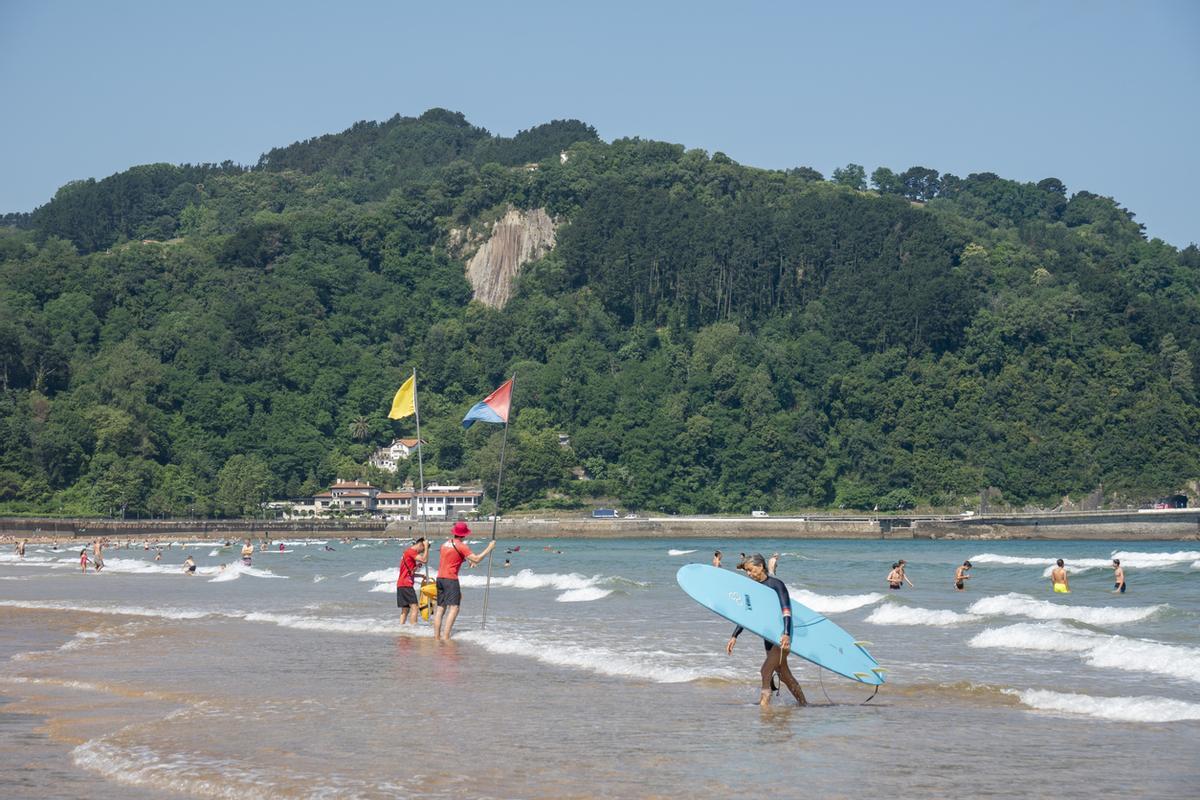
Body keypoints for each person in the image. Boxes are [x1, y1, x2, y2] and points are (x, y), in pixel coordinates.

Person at [725, 554, 806, 707]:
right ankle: (803, 704)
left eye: (750, 570)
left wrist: (787, 634)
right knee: (784, 675)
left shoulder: (776, 585)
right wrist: (734, 636)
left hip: (782, 636)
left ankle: (764, 707)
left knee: (765, 671)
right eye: (746, 571)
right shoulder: (754, 588)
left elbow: (786, 610)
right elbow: (748, 615)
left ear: (760, 566)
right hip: (768, 637)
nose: (748, 574)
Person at [431, 521, 496, 641]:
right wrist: (489, 548)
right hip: (451, 579)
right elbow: (476, 559)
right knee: (454, 608)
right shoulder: (461, 545)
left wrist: (467, 561)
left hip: (440, 578)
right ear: (464, 535)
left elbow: (452, 557)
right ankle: (446, 637)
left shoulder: (445, 544)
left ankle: (436, 637)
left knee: (440, 608)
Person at [396, 537, 429, 624]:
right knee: (415, 608)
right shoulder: (411, 552)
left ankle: (401, 628)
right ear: (420, 544)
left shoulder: (407, 553)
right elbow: (424, 560)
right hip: (406, 584)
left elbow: (408, 572)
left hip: (401, 584)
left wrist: (420, 575)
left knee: (405, 610)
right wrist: (426, 548)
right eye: (422, 549)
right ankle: (413, 629)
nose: (421, 552)